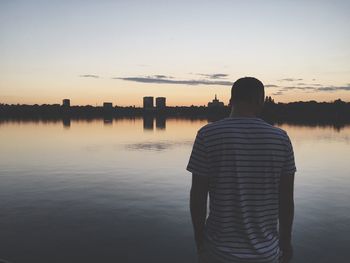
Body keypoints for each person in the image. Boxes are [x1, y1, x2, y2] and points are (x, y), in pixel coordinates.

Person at [187, 77, 296, 263]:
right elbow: (286, 201)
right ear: (260, 102)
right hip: (266, 253)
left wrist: (199, 238)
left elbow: (198, 196)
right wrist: (285, 244)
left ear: (230, 101)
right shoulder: (281, 138)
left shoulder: (207, 134)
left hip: (217, 252)